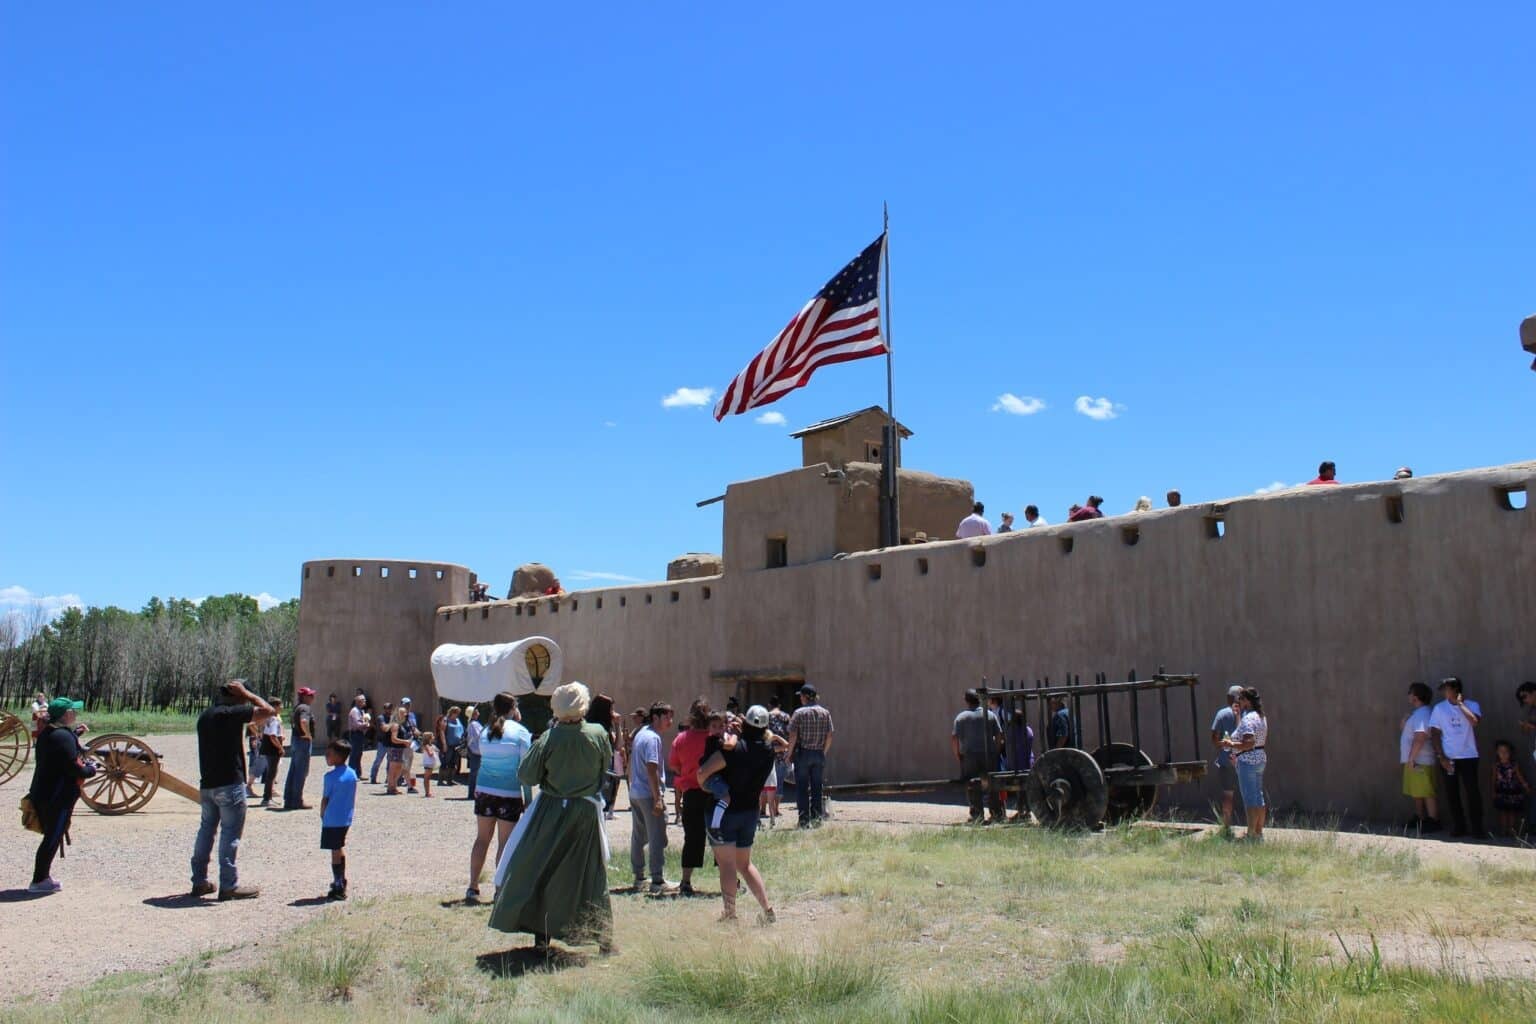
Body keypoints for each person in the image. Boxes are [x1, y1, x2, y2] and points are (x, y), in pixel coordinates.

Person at [489, 681, 615, 955]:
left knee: (541, 867)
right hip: (585, 812)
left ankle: (542, 935)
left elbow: (527, 775)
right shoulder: (598, 734)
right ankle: (603, 938)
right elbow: (604, 769)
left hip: (551, 810)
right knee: (590, 872)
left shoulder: (550, 737)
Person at [191, 680, 273, 900]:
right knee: (230, 835)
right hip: (229, 783)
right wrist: (248, 694)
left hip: (208, 783)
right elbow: (268, 711)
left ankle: (199, 881)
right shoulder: (232, 713)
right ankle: (229, 886)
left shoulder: (206, 715)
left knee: (206, 832)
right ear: (237, 696)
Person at [697, 704, 779, 923]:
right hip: (749, 812)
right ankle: (767, 908)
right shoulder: (768, 750)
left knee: (727, 865)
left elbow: (703, 772)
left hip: (724, 813)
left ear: (746, 723)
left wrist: (704, 784)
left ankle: (730, 913)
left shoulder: (733, 749)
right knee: (745, 864)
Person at [26, 697, 97, 893]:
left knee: (52, 836)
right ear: (66, 714)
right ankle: (39, 880)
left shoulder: (50, 733)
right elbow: (75, 768)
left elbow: (62, 750)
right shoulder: (62, 737)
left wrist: (76, 733)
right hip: (57, 796)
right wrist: (91, 770)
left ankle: (42, 877)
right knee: (52, 838)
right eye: (73, 711)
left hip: (45, 792)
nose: (76, 713)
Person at [467, 693, 532, 904]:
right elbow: (525, 769)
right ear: (513, 708)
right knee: (505, 843)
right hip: (509, 793)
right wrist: (528, 798)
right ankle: (499, 889)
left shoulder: (486, 731)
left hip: (484, 790)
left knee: (481, 839)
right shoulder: (521, 732)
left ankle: (473, 886)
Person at [667, 699, 713, 896]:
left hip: (692, 793)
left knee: (692, 837)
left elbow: (674, 766)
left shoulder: (681, 739)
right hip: (714, 792)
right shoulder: (715, 737)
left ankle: (685, 881)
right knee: (721, 837)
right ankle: (730, 879)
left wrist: (688, 773)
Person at [1430, 676, 1483, 839]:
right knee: (1452, 793)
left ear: (1455, 689)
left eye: (1446, 689)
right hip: (1449, 757)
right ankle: (1459, 826)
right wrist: (1441, 757)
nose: (1444, 693)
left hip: (1469, 756)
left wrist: (1460, 704)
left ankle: (1477, 828)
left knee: (1472, 792)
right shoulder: (1439, 708)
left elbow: (1474, 722)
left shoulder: (1472, 705)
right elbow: (1435, 733)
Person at [629, 701, 674, 893]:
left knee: (639, 836)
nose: (670, 721)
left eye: (671, 717)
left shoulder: (641, 734)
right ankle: (657, 880)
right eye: (666, 717)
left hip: (636, 792)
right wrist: (658, 798)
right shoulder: (653, 738)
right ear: (655, 717)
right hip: (648, 794)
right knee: (656, 837)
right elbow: (652, 768)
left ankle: (639, 877)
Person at [1220, 688, 1267, 841]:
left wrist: (1231, 744)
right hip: (1259, 758)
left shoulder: (1248, 719)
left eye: (1240, 699)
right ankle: (1258, 833)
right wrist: (1238, 716)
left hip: (1248, 761)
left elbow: (1249, 742)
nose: (1238, 701)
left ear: (1247, 700)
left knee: (1250, 799)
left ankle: (1251, 834)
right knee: (1258, 797)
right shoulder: (1260, 716)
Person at [952, 689, 1004, 824]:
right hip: (988, 754)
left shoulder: (961, 717)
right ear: (979, 699)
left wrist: (958, 754)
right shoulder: (990, 715)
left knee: (972, 784)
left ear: (966, 700)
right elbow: (999, 735)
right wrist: (996, 751)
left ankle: (977, 815)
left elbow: (954, 738)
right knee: (991, 783)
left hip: (970, 756)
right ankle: (996, 813)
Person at [787, 684, 833, 828]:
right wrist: (823, 752)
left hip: (803, 753)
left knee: (802, 788)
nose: (800, 698)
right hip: (818, 753)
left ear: (805, 697)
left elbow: (793, 735)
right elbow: (830, 735)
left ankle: (804, 821)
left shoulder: (799, 713)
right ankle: (816, 819)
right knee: (816, 788)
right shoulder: (825, 713)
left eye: (801, 696)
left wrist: (789, 753)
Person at [1400, 682, 1440, 832]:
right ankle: (1420, 817)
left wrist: (1412, 758)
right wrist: (1404, 722)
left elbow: (1420, 737)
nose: (1408, 695)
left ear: (1415, 697)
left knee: (1426, 791)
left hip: (1420, 760)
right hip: (1414, 760)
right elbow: (1409, 733)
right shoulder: (1418, 714)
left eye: (1410, 693)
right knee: (1417, 791)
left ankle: (1433, 820)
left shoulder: (1423, 713)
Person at [320, 739, 357, 900]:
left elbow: (325, 799)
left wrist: (322, 814)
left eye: (329, 754)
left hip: (332, 819)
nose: (326, 756)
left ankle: (339, 885)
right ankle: (341, 879)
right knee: (339, 847)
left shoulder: (330, 777)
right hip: (345, 818)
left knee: (335, 851)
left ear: (338, 756)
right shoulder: (352, 774)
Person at [1210, 684, 1244, 830]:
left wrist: (1222, 745)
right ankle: (1253, 827)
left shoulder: (1222, 714)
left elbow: (1214, 737)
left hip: (1227, 761)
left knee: (1228, 794)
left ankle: (1227, 825)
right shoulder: (1247, 714)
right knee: (1250, 794)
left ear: (1230, 698)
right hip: (1245, 760)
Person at [282, 686, 317, 811]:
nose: (313, 697)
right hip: (302, 741)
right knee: (301, 772)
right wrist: (308, 734)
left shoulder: (297, 707)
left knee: (294, 770)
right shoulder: (305, 708)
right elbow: (303, 721)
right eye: (310, 695)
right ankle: (297, 800)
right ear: (305, 697)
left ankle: (289, 799)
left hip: (296, 740)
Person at [1491, 740, 1531, 838]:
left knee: (1512, 812)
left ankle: (1511, 830)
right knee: (1503, 812)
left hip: (1513, 792)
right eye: (1501, 751)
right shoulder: (1496, 765)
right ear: (1497, 752)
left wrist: (1525, 785)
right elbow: (1493, 779)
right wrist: (1493, 791)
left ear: (1510, 753)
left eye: (1506, 752)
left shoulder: (1514, 765)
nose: (1503, 754)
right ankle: (1503, 830)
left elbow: (1519, 776)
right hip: (1501, 791)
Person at [1003, 702, 1034, 820]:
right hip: (1028, 761)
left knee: (1019, 788)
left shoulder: (1011, 731)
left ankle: (1021, 812)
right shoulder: (1029, 730)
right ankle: (1027, 811)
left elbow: (1006, 744)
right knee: (1026, 788)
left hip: (1016, 763)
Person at [767, 696, 793, 812]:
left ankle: (765, 808)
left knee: (768, 782)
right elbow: (791, 733)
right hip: (783, 751)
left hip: (769, 752)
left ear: (769, 705)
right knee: (779, 781)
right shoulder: (786, 716)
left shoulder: (767, 716)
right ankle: (776, 809)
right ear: (779, 705)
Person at [258, 696, 285, 806]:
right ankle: (267, 798)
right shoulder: (273, 719)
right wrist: (280, 748)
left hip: (269, 748)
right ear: (274, 707)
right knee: (271, 774)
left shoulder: (269, 718)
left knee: (271, 773)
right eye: (280, 705)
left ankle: (268, 797)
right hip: (272, 749)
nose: (282, 707)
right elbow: (273, 736)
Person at [368, 701, 393, 785]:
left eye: (390, 708)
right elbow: (384, 728)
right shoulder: (381, 718)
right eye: (387, 708)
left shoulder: (392, 717)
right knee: (378, 760)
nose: (389, 710)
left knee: (390, 762)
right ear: (384, 709)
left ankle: (388, 779)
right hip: (382, 742)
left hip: (391, 742)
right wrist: (392, 724)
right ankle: (373, 777)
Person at [439, 706, 465, 786]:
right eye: (456, 713)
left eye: (458, 713)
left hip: (456, 745)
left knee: (453, 763)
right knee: (445, 762)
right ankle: (441, 781)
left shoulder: (458, 720)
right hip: (448, 745)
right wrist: (444, 744)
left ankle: (450, 780)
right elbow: (442, 732)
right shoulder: (445, 720)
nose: (457, 714)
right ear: (452, 712)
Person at [345, 694, 368, 775]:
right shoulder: (355, 711)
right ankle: (350, 774)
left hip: (360, 734)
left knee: (359, 754)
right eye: (363, 700)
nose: (365, 701)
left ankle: (358, 774)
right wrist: (366, 724)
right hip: (355, 734)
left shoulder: (361, 711)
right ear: (358, 702)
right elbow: (357, 725)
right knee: (354, 754)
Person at [466, 705, 484, 799]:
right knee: (475, 773)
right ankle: (472, 794)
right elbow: (479, 735)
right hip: (476, 751)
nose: (478, 712)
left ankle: (474, 793)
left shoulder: (472, 723)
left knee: (475, 772)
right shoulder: (474, 724)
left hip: (475, 750)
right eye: (476, 711)